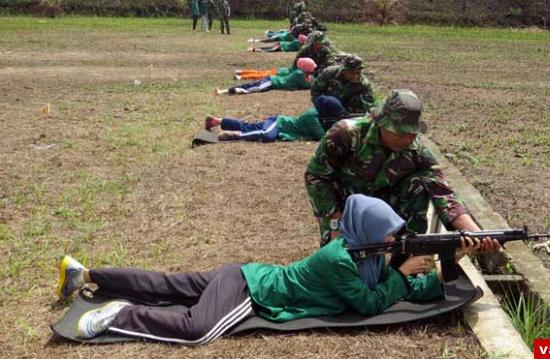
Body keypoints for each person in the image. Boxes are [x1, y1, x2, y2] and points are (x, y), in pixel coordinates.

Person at [55, 194, 496, 343]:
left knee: (171, 284)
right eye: (386, 235)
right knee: (197, 330)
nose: (391, 243)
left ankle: (89, 274)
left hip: (245, 273)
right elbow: (367, 303)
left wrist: (442, 269)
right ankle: (119, 314)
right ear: (365, 229)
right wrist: (403, 273)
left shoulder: (364, 250)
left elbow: (397, 289)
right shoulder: (339, 259)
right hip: (253, 291)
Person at [305, 89, 490, 246]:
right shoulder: (346, 134)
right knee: (341, 269)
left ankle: (406, 248)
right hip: (346, 210)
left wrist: (476, 234)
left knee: (420, 184)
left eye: (411, 133)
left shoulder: (416, 151)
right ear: (381, 122)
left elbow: (443, 193)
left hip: (388, 215)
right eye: (400, 132)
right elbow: (316, 176)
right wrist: (335, 223)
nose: (407, 139)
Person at [203, 95, 344, 142]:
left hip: (278, 122)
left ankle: (216, 121)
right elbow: (322, 136)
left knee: (249, 126)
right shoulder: (312, 117)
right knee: (266, 135)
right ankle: (234, 136)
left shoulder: (317, 114)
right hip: (279, 124)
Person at [214, 57, 316, 96]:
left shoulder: (300, 73)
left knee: (251, 86)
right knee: (251, 88)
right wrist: (312, 80)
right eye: (311, 69)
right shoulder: (298, 74)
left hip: (272, 80)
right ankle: (225, 91)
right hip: (272, 82)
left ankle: (224, 91)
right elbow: (307, 86)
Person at [310, 54, 375, 114]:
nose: (355, 76)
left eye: (358, 73)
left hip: (348, 113)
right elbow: (315, 90)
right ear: (344, 70)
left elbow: (369, 106)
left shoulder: (364, 84)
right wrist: (319, 107)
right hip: (327, 107)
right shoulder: (329, 73)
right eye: (352, 73)